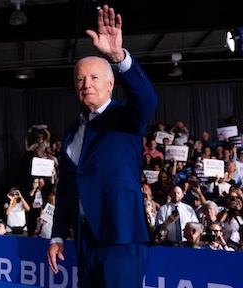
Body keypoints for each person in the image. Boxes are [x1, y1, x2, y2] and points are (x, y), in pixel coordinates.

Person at [46, 5, 157, 288]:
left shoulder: (126, 118)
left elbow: (146, 99)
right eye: (80, 79)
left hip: (121, 238)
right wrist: (58, 236)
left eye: (94, 77)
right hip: (85, 242)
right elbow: (66, 189)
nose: (86, 84)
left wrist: (118, 57)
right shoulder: (72, 133)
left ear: (111, 83)